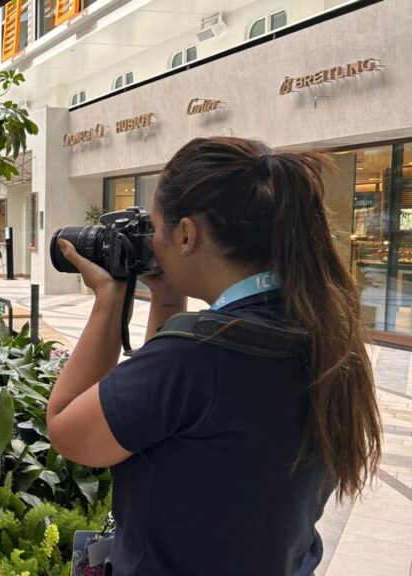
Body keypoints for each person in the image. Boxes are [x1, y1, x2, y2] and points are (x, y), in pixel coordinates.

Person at [46, 137, 381, 575]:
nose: (153, 242)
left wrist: (109, 298)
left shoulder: (200, 356)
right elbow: (163, 414)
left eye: (155, 227)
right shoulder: (318, 332)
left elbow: (68, 429)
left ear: (186, 235)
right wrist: (165, 300)